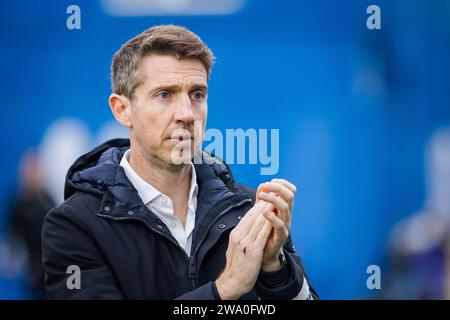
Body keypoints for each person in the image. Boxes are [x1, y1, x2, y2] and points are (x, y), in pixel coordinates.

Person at [41, 25, 317, 300]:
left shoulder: (249, 211)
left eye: (197, 94)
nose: (187, 114)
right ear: (122, 110)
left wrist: (276, 271)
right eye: (165, 95)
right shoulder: (73, 225)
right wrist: (223, 290)